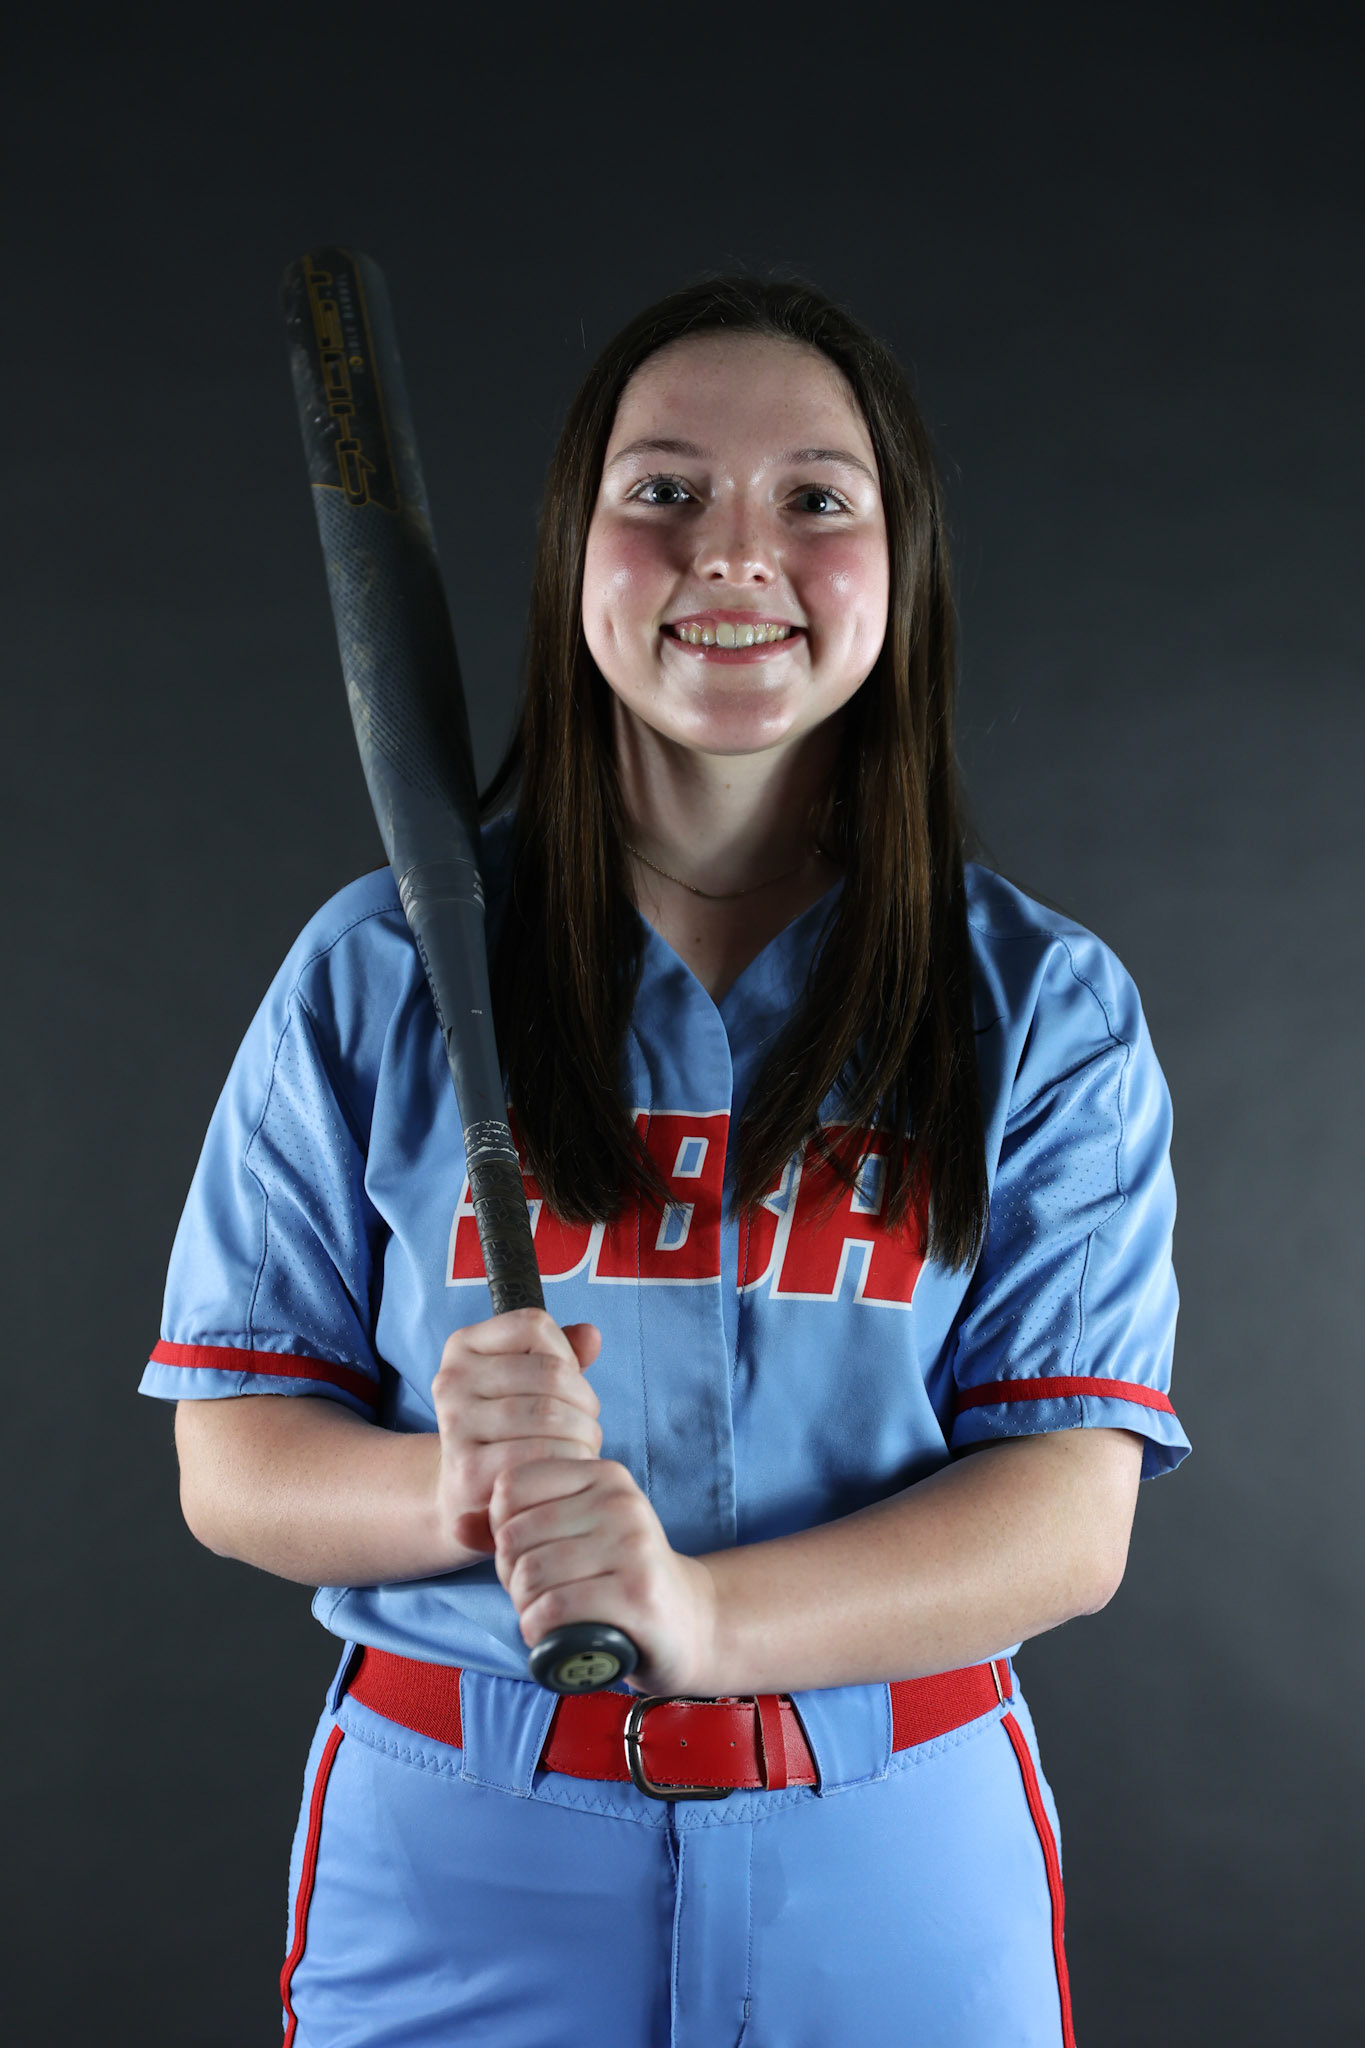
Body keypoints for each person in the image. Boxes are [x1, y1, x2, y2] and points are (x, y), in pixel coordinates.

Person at [143, 275, 1188, 2047]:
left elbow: (1068, 1516)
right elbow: (230, 1459)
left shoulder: (1040, 1005)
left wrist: (694, 1615)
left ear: (897, 563)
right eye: (663, 491)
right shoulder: (379, 968)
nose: (733, 551)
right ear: (577, 553)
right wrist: (448, 1495)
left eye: (813, 497)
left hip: (893, 1846)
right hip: (464, 1848)